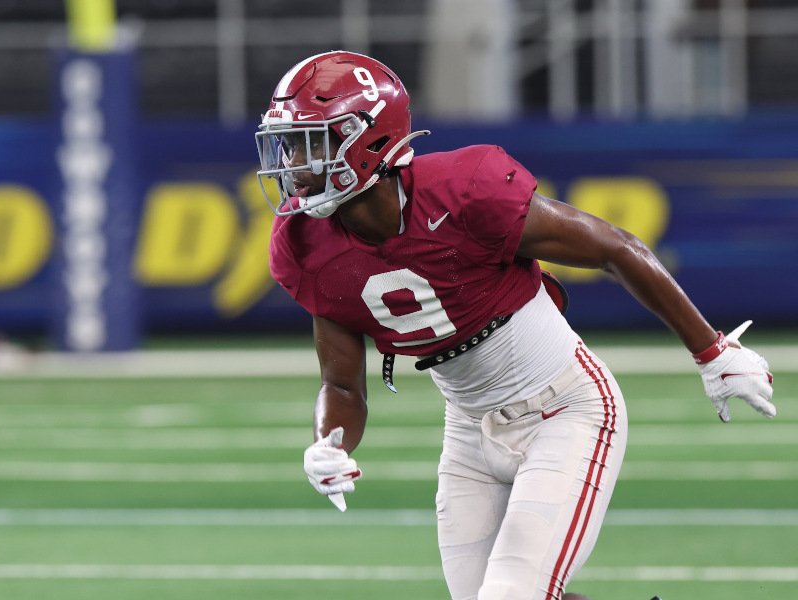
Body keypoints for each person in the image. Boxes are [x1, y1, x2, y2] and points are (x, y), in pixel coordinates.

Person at [255, 51, 776, 600]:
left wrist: (711, 351)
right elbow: (341, 384)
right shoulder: (304, 245)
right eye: (289, 143)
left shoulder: (463, 191)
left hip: (566, 407)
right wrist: (329, 443)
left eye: (311, 142)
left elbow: (616, 249)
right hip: (468, 434)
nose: (292, 162)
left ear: (372, 141)